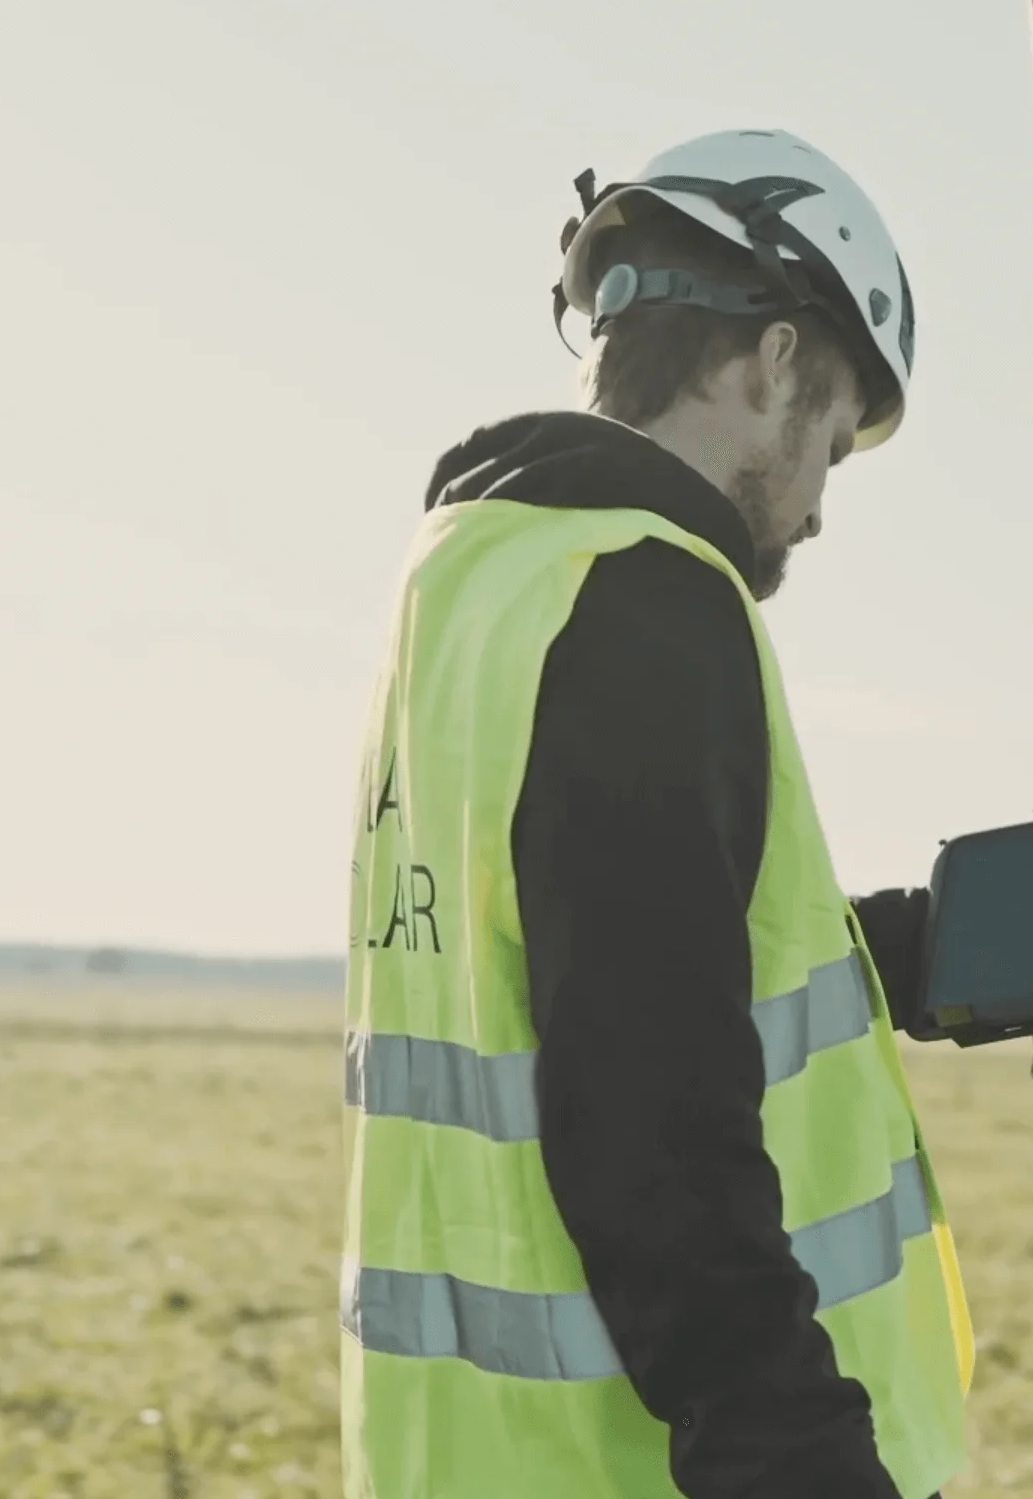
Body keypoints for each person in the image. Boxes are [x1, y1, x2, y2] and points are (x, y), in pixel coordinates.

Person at [338, 129, 970, 1499]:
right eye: (834, 449)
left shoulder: (474, 577)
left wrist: (928, 955)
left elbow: (583, 963)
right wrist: (795, 1456)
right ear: (781, 360)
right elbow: (650, 1112)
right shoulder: (648, 595)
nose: (814, 510)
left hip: (470, 1456)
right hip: (633, 1465)